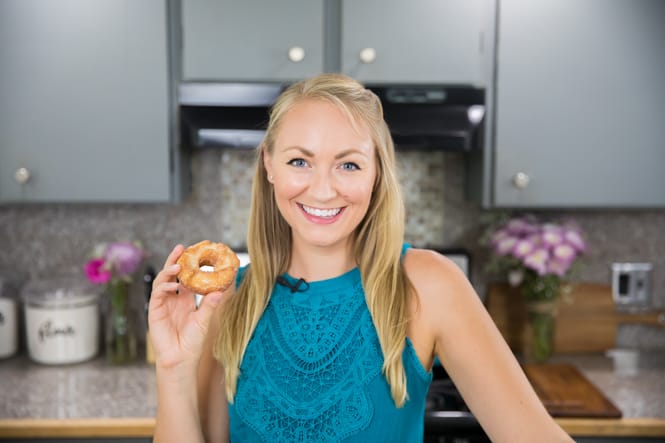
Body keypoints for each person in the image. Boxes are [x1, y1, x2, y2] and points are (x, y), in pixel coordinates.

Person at [149, 73, 573, 442]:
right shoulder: (230, 302)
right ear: (269, 165)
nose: (322, 190)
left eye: (348, 165)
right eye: (300, 161)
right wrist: (173, 368)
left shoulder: (428, 285)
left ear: (376, 173)